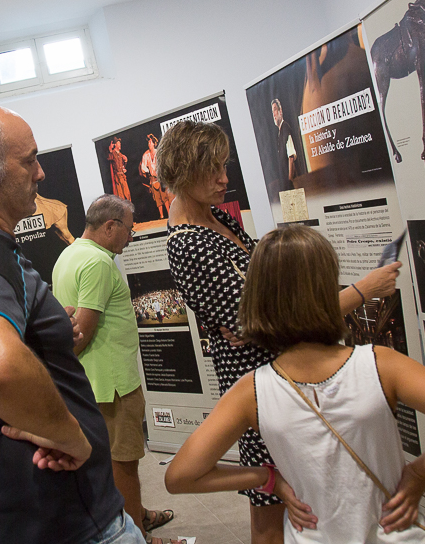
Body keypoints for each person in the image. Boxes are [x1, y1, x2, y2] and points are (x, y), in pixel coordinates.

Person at [164, 225, 425, 543]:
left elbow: (180, 477)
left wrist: (266, 479)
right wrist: (420, 472)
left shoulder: (250, 391)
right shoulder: (380, 364)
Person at [160, 120, 403, 544]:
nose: (224, 179)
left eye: (224, 166)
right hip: (258, 385)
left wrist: (257, 317)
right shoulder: (188, 241)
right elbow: (264, 323)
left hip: (280, 368)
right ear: (184, 171)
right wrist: (362, 292)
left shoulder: (216, 217)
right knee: (270, 506)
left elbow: (260, 310)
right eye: (213, 169)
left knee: (301, 496)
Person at [0, 106, 141, 544]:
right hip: (71, 523)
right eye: (29, 160)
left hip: (19, 519)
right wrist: (71, 436)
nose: (40, 173)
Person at [52, 195, 176, 542]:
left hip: (93, 382)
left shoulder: (69, 255)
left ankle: (137, 516)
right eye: (129, 230)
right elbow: (83, 330)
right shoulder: (99, 264)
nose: (130, 237)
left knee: (114, 465)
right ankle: (140, 535)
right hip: (113, 385)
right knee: (125, 465)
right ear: (110, 226)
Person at [272, 99, 297, 188]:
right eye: (272, 111)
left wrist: (290, 180)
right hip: (284, 182)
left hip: (289, 182)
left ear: (280, 111)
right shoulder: (279, 132)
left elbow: (291, 156)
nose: (274, 114)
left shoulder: (285, 127)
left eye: (275, 109)